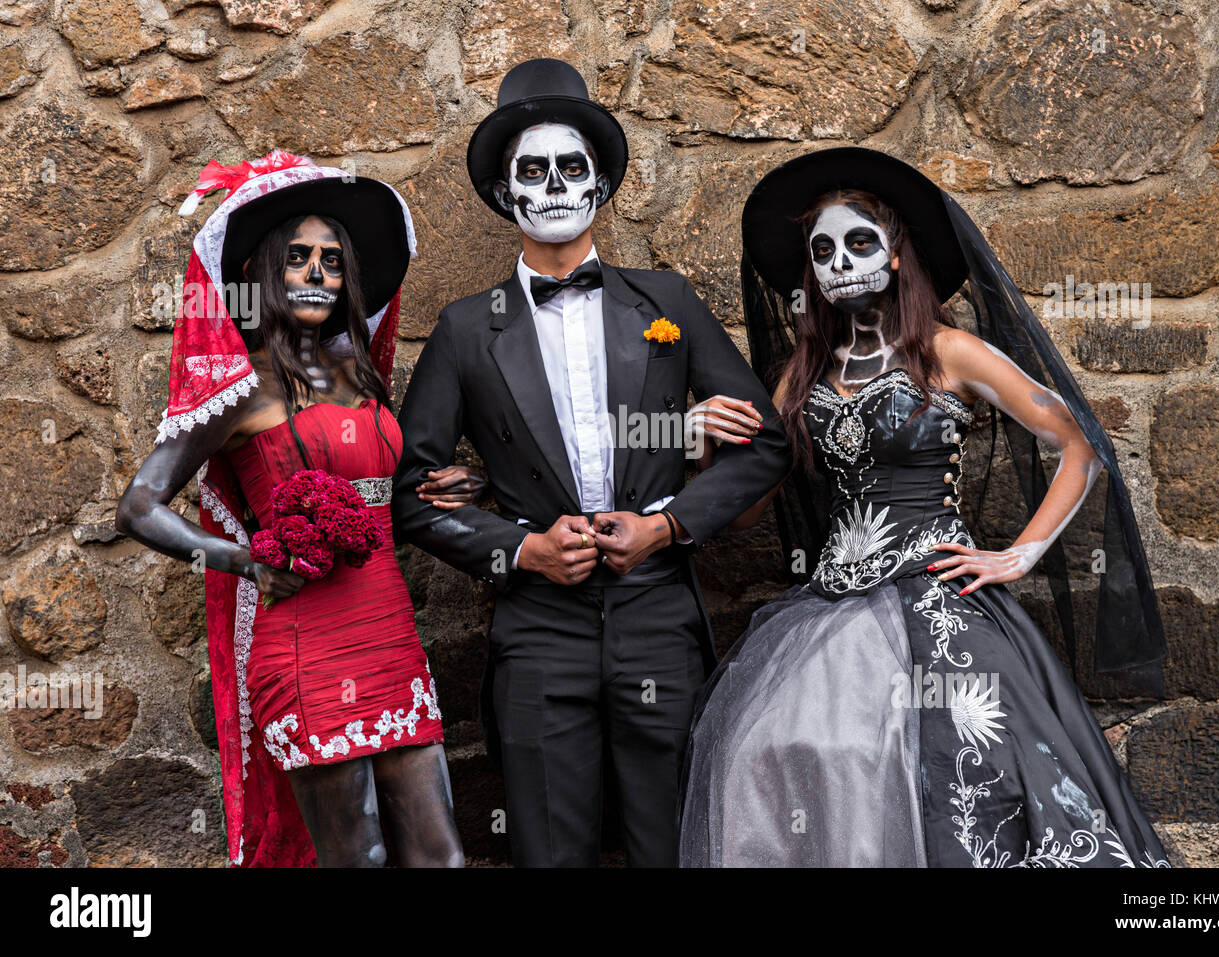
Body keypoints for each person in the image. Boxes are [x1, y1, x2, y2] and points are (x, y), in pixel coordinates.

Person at [677, 147, 1170, 868]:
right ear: (809, 272)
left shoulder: (950, 353)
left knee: (960, 770)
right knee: (768, 747)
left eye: (859, 242)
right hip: (823, 618)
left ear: (898, 254)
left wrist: (1018, 553)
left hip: (940, 599)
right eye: (822, 251)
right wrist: (704, 449)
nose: (840, 262)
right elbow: (748, 514)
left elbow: (1078, 444)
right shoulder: (797, 379)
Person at [391, 58, 791, 867]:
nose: (551, 185)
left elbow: (767, 442)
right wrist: (520, 548)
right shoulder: (468, 330)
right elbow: (410, 495)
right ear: (507, 193)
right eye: (530, 171)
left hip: (656, 621)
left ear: (600, 183)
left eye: (570, 166)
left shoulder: (666, 303)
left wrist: (669, 524)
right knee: (547, 843)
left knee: (673, 841)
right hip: (539, 630)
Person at [116, 150, 473, 867]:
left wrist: (450, 488)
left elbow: (377, 490)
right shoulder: (242, 387)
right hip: (305, 643)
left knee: (441, 857)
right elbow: (139, 507)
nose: (317, 274)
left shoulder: (358, 369)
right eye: (299, 258)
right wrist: (244, 561)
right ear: (260, 272)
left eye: (333, 261)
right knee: (357, 859)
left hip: (391, 630)